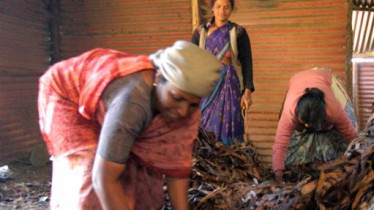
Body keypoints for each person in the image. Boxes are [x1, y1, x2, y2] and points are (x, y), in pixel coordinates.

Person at [37, 40, 221, 210]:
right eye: (177, 98)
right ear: (158, 78)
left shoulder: (185, 108)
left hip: (119, 108)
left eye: (193, 104)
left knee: (140, 171)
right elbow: (104, 178)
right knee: (90, 174)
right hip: (68, 96)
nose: (183, 111)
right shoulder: (132, 103)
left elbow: (176, 170)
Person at [272, 68, 358, 182]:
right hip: (297, 79)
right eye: (305, 124)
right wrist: (278, 173)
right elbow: (280, 143)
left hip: (326, 78)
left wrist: (360, 159)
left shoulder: (334, 110)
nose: (307, 126)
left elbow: (350, 134)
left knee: (339, 142)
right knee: (292, 152)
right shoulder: (289, 113)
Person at [191, 0, 255, 144]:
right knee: (204, 123)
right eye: (218, 7)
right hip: (207, 84)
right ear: (212, 8)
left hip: (229, 83)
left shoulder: (238, 32)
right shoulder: (201, 32)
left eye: (226, 7)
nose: (222, 11)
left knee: (231, 120)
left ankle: (230, 157)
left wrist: (247, 90)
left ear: (231, 9)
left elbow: (247, 62)